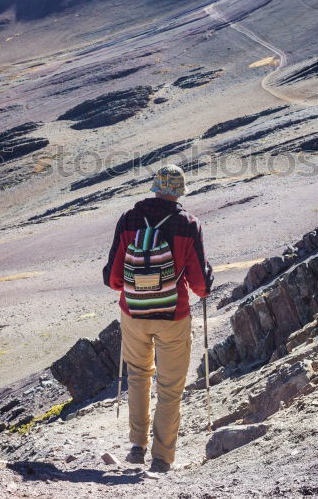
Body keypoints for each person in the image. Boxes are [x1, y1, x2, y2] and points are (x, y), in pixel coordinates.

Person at [103, 164, 213, 473]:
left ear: (154, 187)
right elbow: (200, 285)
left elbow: (113, 279)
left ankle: (137, 445)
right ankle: (162, 458)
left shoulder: (128, 220)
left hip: (134, 313)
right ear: (180, 191)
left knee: (137, 375)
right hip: (173, 316)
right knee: (170, 386)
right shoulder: (188, 224)